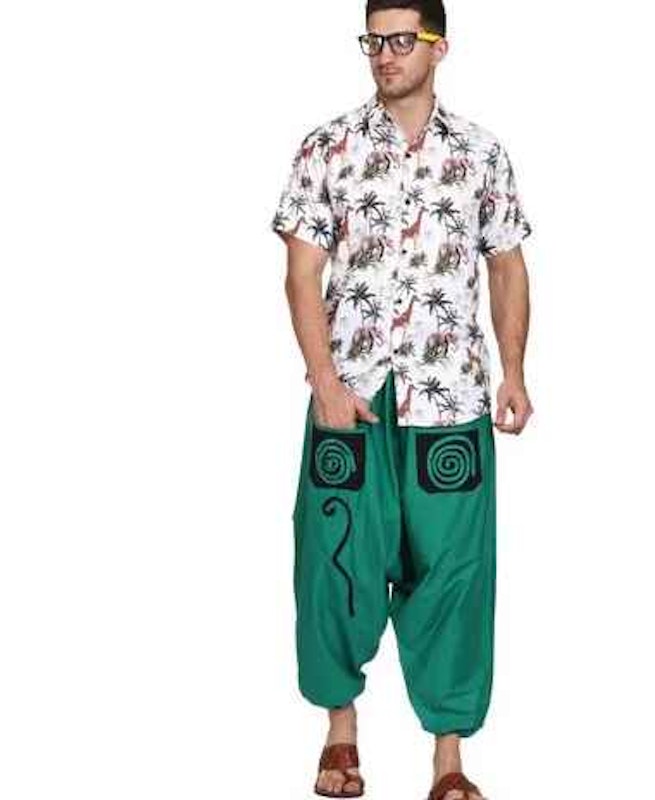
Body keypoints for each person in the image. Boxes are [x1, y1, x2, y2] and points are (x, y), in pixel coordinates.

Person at [269, 1, 534, 798]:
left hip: (450, 396)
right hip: (352, 397)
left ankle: (448, 758)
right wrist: (324, 380)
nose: (383, 54)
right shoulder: (327, 147)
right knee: (335, 559)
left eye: (399, 40)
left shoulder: (482, 153)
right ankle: (340, 733)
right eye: (373, 40)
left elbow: (507, 267)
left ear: (437, 47)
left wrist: (513, 372)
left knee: (456, 572)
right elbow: (301, 274)